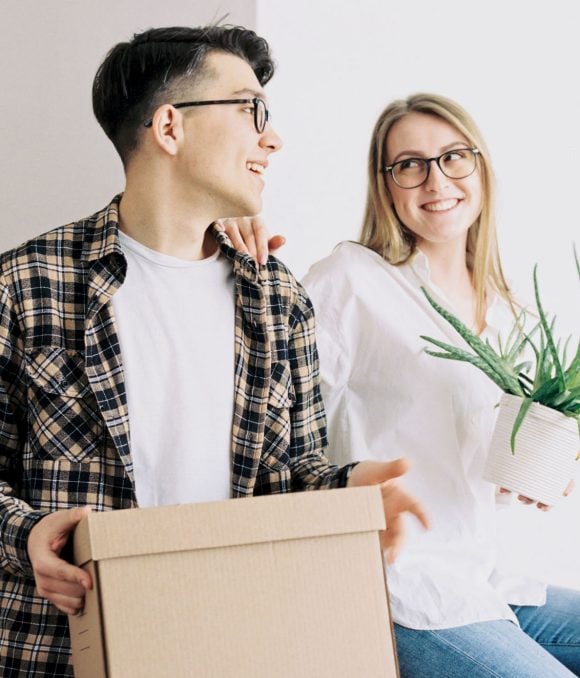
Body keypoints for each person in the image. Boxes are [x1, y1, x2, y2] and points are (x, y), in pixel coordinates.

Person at [0, 27, 429, 677]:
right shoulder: (27, 287)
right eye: (251, 110)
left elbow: (289, 477)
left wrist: (347, 492)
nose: (273, 138)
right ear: (170, 127)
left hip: (236, 640)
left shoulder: (277, 298)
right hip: (62, 650)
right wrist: (24, 533)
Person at [223, 93, 580, 677]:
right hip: (405, 587)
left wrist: (543, 467)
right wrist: (225, 238)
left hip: (495, 578)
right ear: (386, 185)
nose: (435, 179)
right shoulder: (351, 282)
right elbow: (261, 403)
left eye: (453, 157)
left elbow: (477, 452)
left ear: (481, 168)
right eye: (409, 164)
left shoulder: (510, 308)